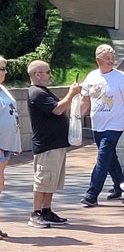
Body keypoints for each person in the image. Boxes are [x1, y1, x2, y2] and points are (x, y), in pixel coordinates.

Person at [79, 44, 124, 207]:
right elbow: (85, 101)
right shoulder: (91, 77)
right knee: (110, 157)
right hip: (97, 124)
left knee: (103, 157)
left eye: (112, 58)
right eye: (107, 59)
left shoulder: (121, 78)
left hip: (114, 125)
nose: (111, 61)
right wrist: (75, 118)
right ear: (98, 60)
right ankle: (120, 186)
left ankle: (92, 194)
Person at [26, 61, 81, 229]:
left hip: (56, 144)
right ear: (37, 74)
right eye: (47, 72)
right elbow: (57, 109)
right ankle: (36, 214)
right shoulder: (36, 93)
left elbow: (60, 108)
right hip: (46, 145)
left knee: (52, 181)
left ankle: (46, 210)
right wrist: (70, 95)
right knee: (43, 180)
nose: (50, 75)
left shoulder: (43, 92)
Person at [0, 56, 21, 237]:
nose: (4, 72)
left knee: (0, 181)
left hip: (6, 143)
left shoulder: (3, 89)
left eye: (4, 68)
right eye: (1, 68)